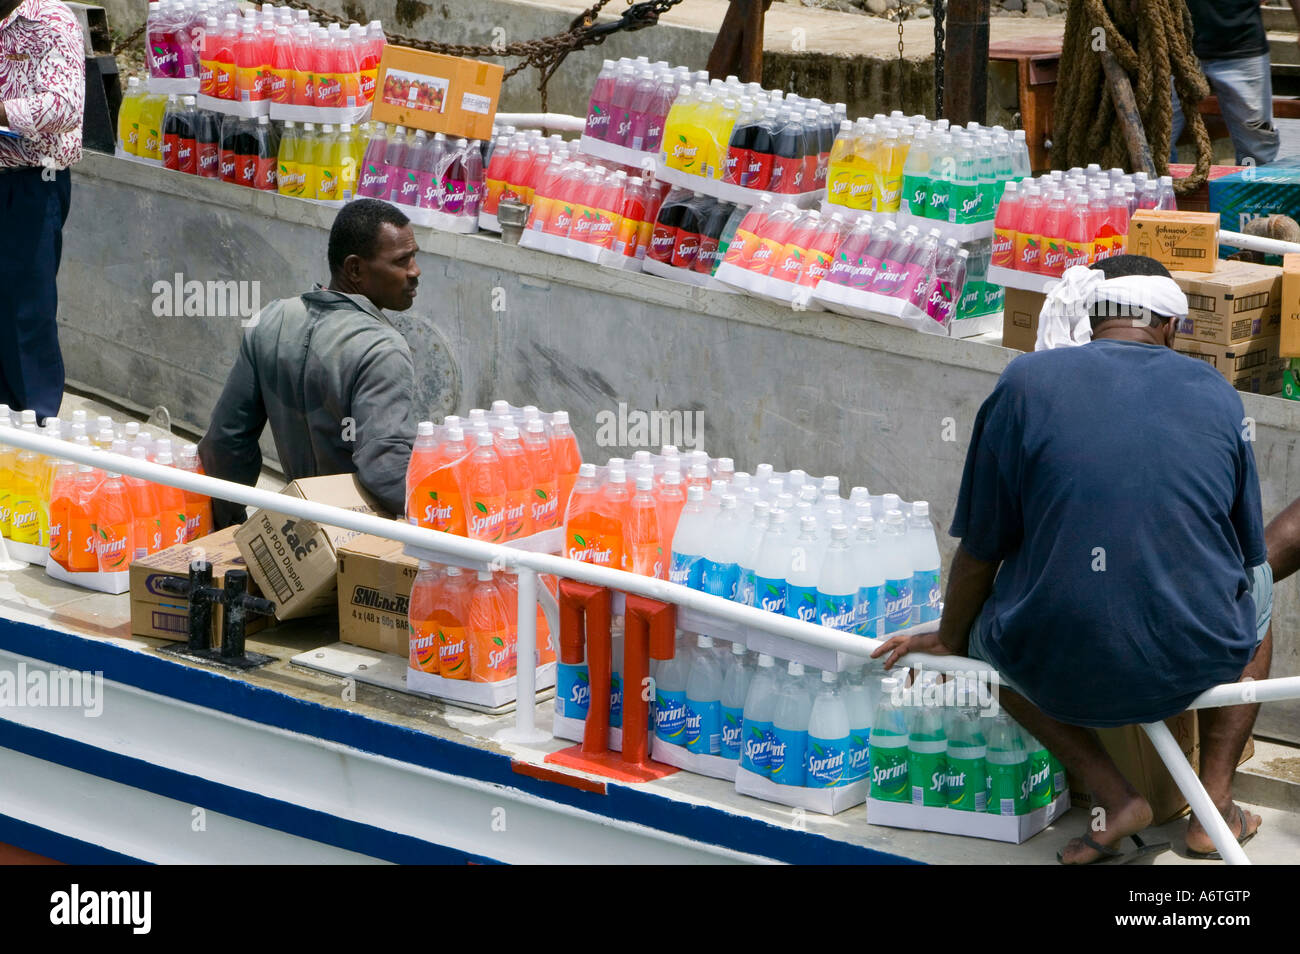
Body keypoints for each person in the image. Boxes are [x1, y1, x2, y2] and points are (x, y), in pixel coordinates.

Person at [875, 255, 1271, 864]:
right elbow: (1245, 551)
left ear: (1094, 318)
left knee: (985, 633)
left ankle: (1115, 796)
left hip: (1051, 663)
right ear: (1168, 325)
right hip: (1194, 660)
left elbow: (980, 550)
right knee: (1261, 583)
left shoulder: (1025, 382)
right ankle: (1212, 807)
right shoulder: (1218, 397)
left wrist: (953, 639)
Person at [199, 200, 421, 528]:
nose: (415, 271)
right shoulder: (382, 349)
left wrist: (229, 526)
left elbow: (225, 442)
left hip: (296, 535)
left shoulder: (270, 321)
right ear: (355, 269)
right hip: (361, 546)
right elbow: (385, 472)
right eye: (402, 261)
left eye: (415, 257)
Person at [0, 0, 85, 421]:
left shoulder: (50, 21)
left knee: (25, 310)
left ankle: (35, 428)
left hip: (32, 181)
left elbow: (66, 106)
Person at [1170, 0, 1279, 166]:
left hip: (1242, 46)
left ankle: (1250, 187)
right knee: (1154, 137)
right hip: (1172, 45)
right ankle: (1160, 189)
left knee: (1256, 147)